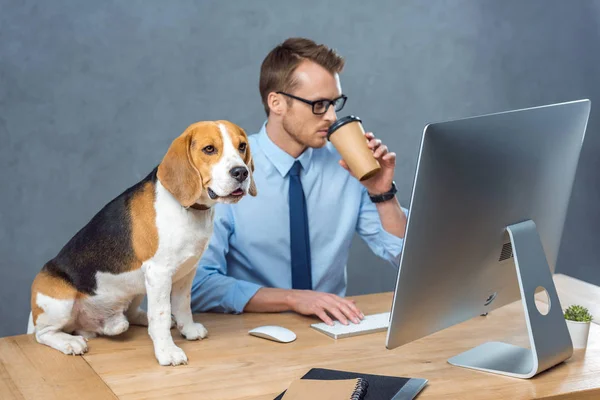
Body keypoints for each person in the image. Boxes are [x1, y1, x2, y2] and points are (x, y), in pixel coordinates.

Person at [190, 37, 408, 326]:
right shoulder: (226, 172)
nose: (331, 117)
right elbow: (197, 285)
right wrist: (293, 298)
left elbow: (408, 260)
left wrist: (383, 194)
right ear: (277, 103)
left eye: (334, 103)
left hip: (331, 330)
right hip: (249, 334)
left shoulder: (347, 165)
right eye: (319, 105)